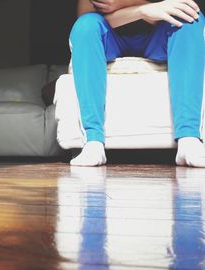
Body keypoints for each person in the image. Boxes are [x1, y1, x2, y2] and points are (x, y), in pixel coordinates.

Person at [69, 0, 205, 166]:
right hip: (110, 37)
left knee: (190, 18)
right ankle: (93, 142)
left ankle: (188, 139)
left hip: (159, 36)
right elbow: (85, 17)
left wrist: (122, 4)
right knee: (85, 27)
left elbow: (178, 6)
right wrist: (142, 10)